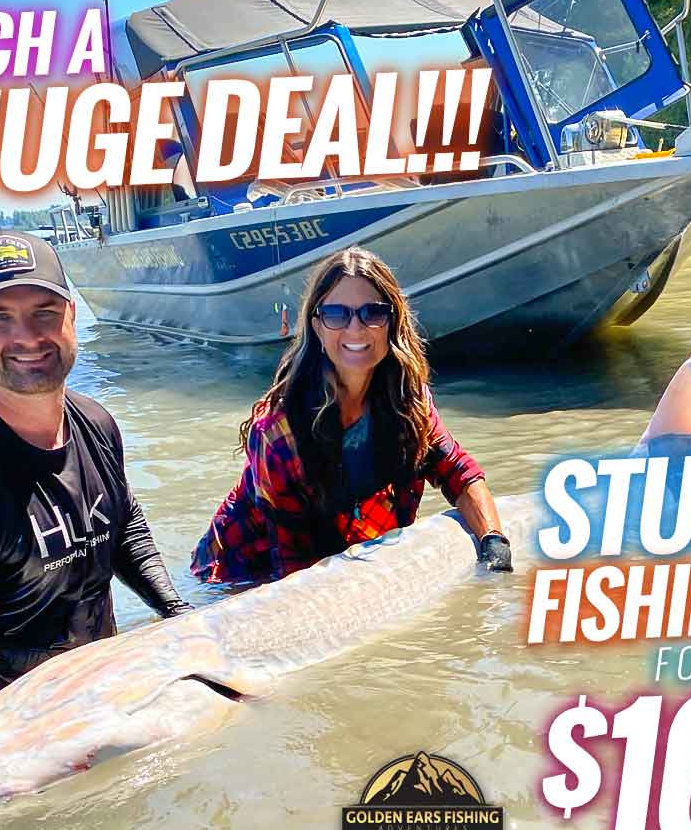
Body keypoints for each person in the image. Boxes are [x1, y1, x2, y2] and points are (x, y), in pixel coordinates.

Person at [0, 230, 192, 760]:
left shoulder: (95, 423)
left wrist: (178, 613)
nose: (27, 336)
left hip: (95, 699)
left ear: (72, 314)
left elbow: (123, 524)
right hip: (10, 738)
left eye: (44, 312)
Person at [191, 247, 512, 583]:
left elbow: (458, 474)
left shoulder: (410, 400)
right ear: (317, 327)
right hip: (238, 570)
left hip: (337, 547)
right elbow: (292, 564)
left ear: (392, 323)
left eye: (372, 312)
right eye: (336, 314)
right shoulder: (278, 431)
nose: (356, 329)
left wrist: (494, 541)